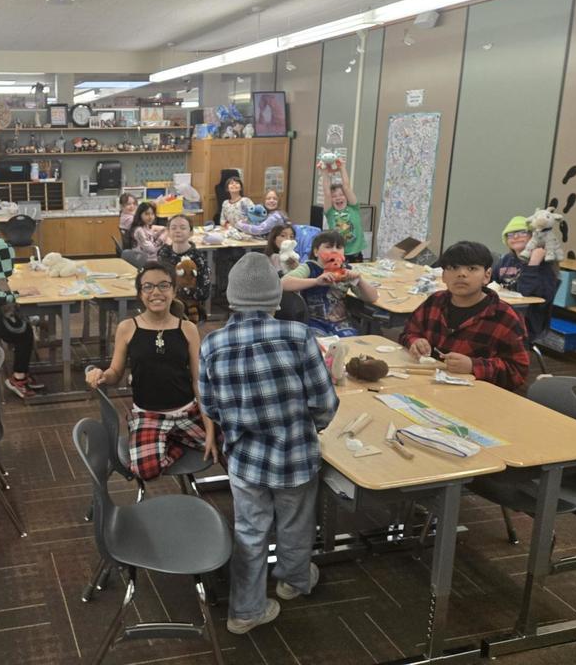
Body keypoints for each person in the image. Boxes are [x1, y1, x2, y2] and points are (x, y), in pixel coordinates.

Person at [199, 253, 338, 635]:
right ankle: (294, 581)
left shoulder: (212, 344)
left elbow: (209, 406)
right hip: (294, 455)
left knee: (249, 530)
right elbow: (324, 402)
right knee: (295, 524)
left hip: (245, 460)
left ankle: (245, 611)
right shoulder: (298, 336)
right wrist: (311, 427)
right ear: (276, 299)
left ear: (231, 300)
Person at [85, 262, 217, 481]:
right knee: (146, 470)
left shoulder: (187, 329)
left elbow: (198, 382)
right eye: (148, 287)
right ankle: (172, 440)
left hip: (188, 412)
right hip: (148, 416)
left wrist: (211, 430)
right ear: (140, 294)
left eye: (163, 285)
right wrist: (101, 374)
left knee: (229, 446)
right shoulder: (128, 327)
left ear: (174, 291)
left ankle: (169, 439)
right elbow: (115, 372)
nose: (156, 292)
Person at [400, 240, 529, 391]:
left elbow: (518, 372)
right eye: (453, 268)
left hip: (477, 394)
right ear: (443, 276)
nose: (461, 274)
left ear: (487, 276)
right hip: (429, 386)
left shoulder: (505, 317)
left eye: (472, 268)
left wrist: (473, 366)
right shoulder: (435, 302)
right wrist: (415, 341)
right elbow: (408, 333)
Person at [0, 237, 45, 399]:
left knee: (24, 326)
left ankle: (23, 373)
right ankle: (18, 379)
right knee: (24, 332)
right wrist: (18, 294)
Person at [281, 231, 378, 337]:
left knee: (350, 345)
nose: (334, 251)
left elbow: (372, 297)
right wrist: (316, 281)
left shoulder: (346, 272)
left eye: (339, 247)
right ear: (316, 251)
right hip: (313, 322)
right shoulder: (309, 267)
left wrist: (359, 280)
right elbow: (283, 283)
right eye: (329, 247)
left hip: (341, 323)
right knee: (318, 344)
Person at [493, 216, 559, 344]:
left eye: (522, 232)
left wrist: (533, 263)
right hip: (502, 312)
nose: (515, 237)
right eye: (510, 234)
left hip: (526, 321)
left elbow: (526, 293)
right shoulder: (507, 259)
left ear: (534, 237)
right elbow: (490, 282)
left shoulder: (545, 264)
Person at [157, 214, 210, 322]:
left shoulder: (198, 257)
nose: (178, 231)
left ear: (191, 232)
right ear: (168, 232)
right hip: (165, 304)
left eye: (183, 227)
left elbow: (204, 291)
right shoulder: (163, 253)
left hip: (190, 308)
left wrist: (181, 293)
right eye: (173, 227)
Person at [322, 160, 365, 263]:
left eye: (341, 195)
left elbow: (346, 187)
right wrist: (324, 171)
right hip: (338, 255)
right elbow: (327, 193)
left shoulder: (353, 208)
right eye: (334, 196)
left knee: (355, 278)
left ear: (346, 197)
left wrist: (342, 167)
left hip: (356, 254)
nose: (338, 198)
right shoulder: (330, 212)